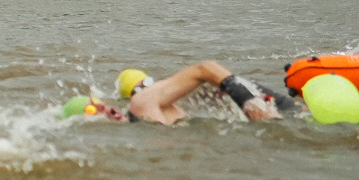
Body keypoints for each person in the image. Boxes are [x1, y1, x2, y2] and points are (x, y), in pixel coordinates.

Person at [125, 61, 295, 124]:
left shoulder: (158, 104)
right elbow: (204, 68)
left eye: (151, 83)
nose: (151, 88)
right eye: (145, 85)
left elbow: (205, 69)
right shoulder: (143, 101)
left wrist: (249, 101)